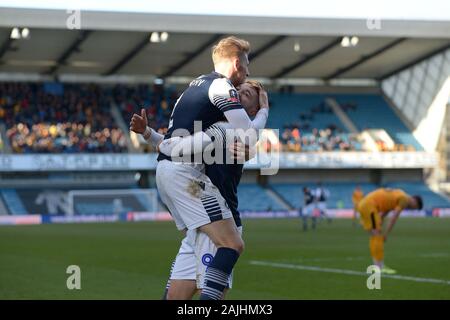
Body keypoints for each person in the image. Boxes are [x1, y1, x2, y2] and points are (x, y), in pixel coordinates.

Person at [131, 80, 267, 299]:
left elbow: (174, 147)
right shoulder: (215, 124)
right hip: (202, 218)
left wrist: (264, 112)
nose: (237, 94)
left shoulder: (233, 129)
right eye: (237, 90)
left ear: (253, 109)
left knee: (213, 287)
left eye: (247, 94)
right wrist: (147, 133)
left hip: (221, 217)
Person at [357, 188, 423, 274]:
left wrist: (380, 220)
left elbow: (386, 209)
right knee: (377, 235)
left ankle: (377, 265)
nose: (413, 209)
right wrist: (386, 234)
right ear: (415, 200)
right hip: (370, 206)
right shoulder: (404, 200)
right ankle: (379, 267)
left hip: (364, 204)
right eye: (415, 207)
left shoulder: (399, 194)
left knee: (374, 235)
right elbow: (394, 217)